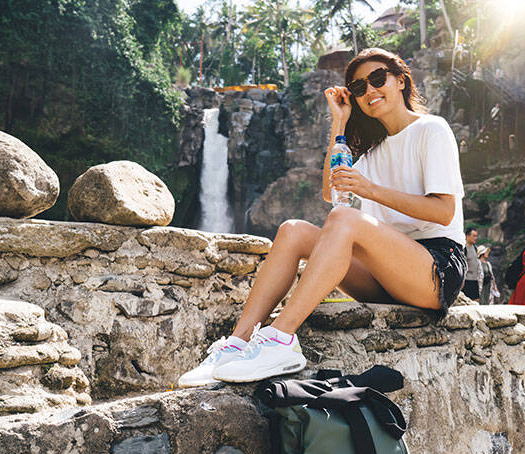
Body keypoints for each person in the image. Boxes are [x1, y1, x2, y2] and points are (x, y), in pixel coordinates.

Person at [178, 47, 467, 387]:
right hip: (385, 274)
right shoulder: (374, 151)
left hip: (435, 269)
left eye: (377, 79)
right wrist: (339, 122)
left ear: (401, 81)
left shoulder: (432, 129)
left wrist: (370, 190)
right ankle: (237, 343)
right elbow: (331, 193)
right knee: (293, 230)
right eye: (359, 88)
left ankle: (281, 338)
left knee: (345, 219)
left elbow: (443, 210)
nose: (370, 91)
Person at [462, 227, 482, 301]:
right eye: (474, 236)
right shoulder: (464, 249)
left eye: (476, 236)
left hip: (475, 280)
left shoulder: (475, 248)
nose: (476, 238)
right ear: (467, 236)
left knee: (476, 301)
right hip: (466, 281)